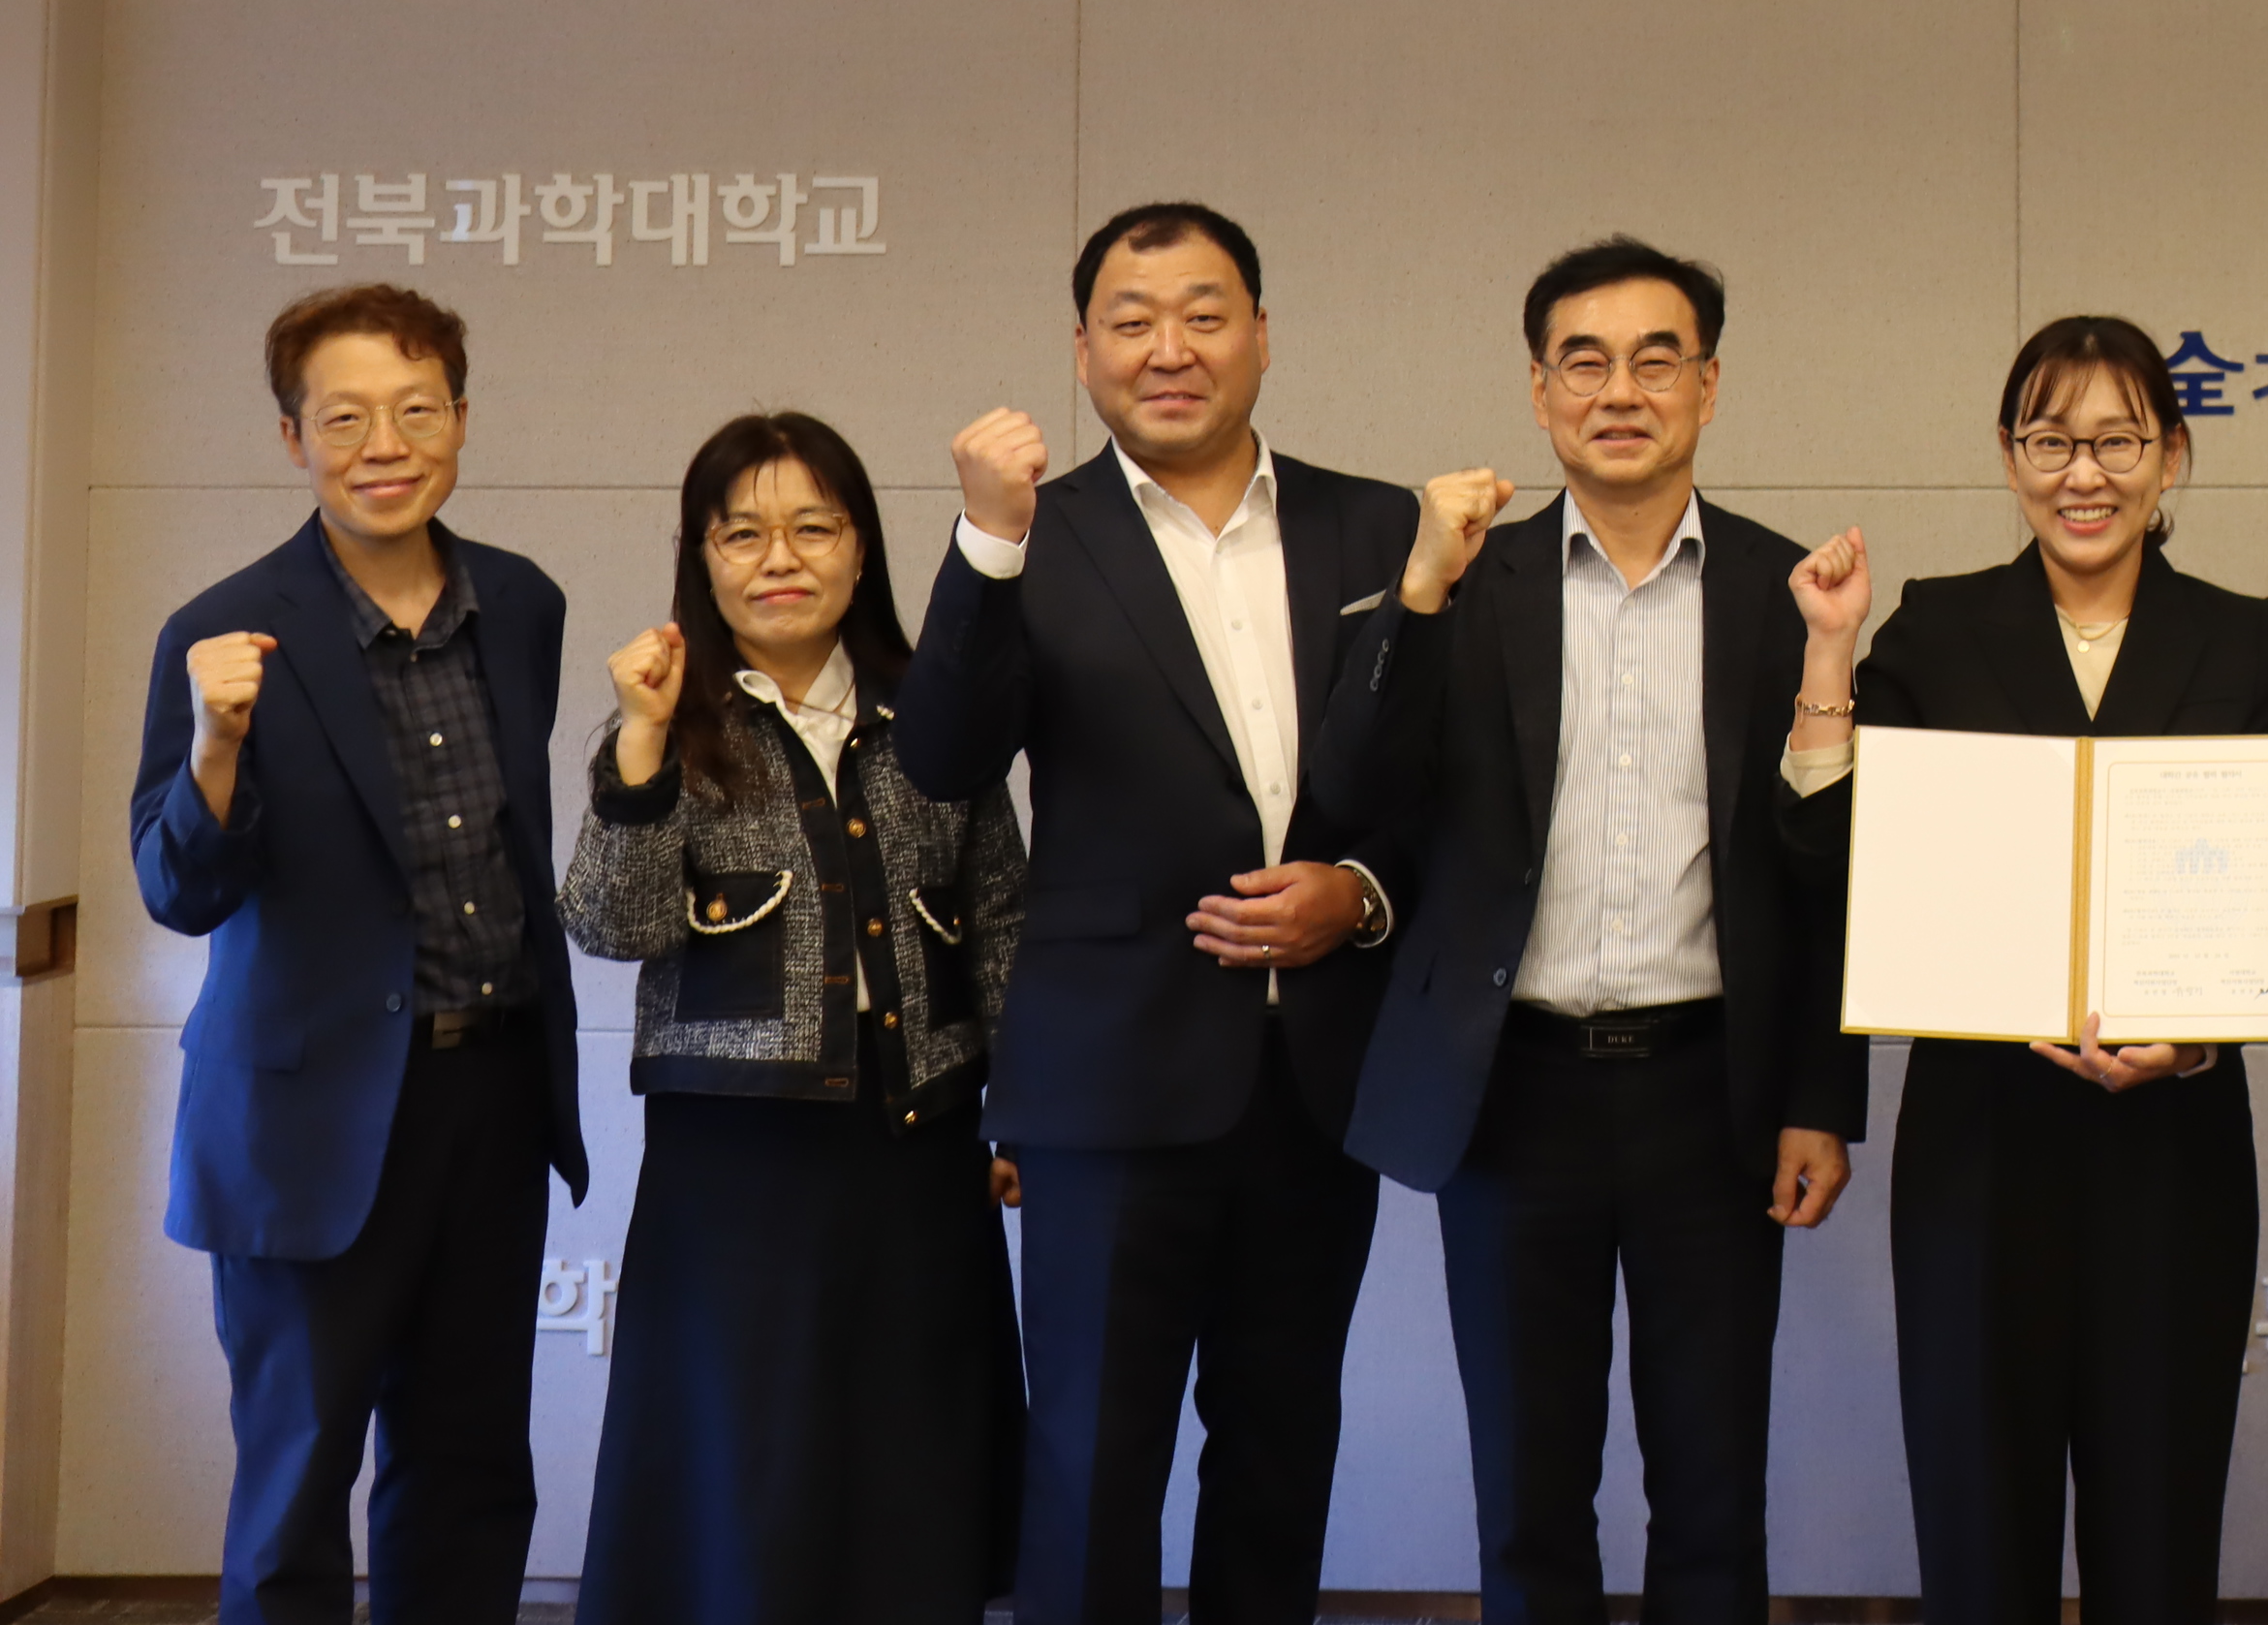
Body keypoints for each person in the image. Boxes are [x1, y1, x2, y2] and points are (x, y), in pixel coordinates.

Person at [1313, 236, 1870, 1625]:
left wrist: (1819, 1095)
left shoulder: (1785, 592)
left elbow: (1821, 879)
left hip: (1711, 1092)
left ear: (1709, 386)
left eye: (1655, 360)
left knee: (1714, 1489)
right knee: (1528, 1489)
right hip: (1513, 1094)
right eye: (1586, 362)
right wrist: (1420, 591)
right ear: (1541, 391)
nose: (1621, 391)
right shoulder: (1465, 583)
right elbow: (1353, 791)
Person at [895, 202, 1422, 1625]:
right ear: (1083, 351)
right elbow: (941, 761)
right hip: (1108, 1084)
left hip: (1317, 1081)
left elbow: (1437, 780)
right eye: (1133, 321)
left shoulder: (1377, 525)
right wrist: (984, 541)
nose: (1170, 348)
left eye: (1204, 314)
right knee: (1089, 1460)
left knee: (1281, 1452)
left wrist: (1362, 894)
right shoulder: (1032, 534)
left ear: (1262, 334)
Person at [131, 282, 587, 1625]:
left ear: (461, 419)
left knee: (470, 1465)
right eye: (345, 418)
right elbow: (177, 888)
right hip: (305, 1117)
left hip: (488, 1096)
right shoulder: (222, 629)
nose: (385, 445)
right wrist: (216, 745)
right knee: (297, 1479)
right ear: (293, 438)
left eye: (416, 409)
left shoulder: (522, 602)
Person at [1846, 317, 2268, 1625]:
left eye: (2117, 440)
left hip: (2174, 1155)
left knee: (2157, 1541)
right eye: (2052, 442)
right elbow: (1840, 852)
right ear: (2009, 456)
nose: (2084, 474)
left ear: (2172, 456)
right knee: (1979, 1540)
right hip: (1980, 1149)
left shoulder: (2237, 639)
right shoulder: (1935, 630)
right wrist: (1828, 659)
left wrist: (2199, 1038)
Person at [565, 411, 1029, 1625]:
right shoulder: (666, 721)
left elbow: (1000, 918)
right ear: (702, 556)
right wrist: (643, 740)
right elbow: (612, 922)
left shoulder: (935, 715)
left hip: (919, 1136)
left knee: (910, 1441)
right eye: (743, 533)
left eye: (813, 527)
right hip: (735, 1154)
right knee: (749, 1456)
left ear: (861, 549)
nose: (780, 557)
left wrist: (1024, 1110)